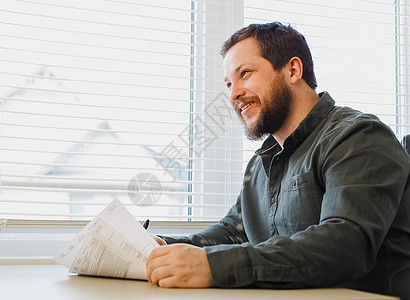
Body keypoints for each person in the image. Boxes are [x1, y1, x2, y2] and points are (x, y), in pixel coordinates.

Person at [145, 22, 410, 300]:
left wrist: (215, 265)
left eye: (244, 73)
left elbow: (345, 244)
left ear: (293, 70)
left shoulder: (358, 136)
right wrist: (165, 247)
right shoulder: (261, 164)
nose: (233, 93)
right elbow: (234, 232)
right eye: (228, 84)